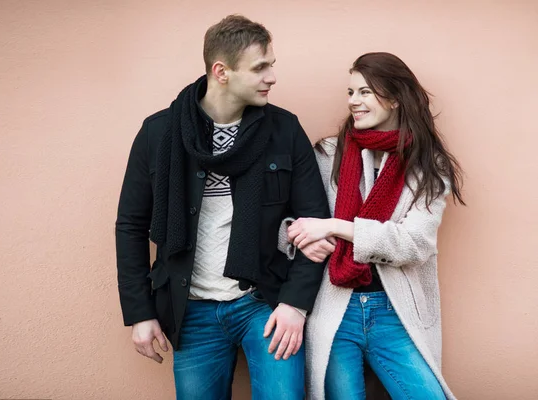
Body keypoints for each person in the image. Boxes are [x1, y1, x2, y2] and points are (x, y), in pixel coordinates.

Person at [115, 14, 330, 400]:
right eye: (260, 67)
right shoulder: (159, 134)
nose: (272, 77)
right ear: (222, 71)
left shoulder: (284, 131)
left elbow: (316, 221)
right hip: (191, 310)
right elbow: (130, 226)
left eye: (272, 65)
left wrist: (296, 305)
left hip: (264, 305)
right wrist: (140, 312)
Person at [280, 52, 465, 399]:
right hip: (336, 309)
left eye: (365, 92)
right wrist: (300, 237)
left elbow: (414, 243)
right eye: (350, 92)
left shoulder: (428, 165)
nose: (353, 101)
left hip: (395, 312)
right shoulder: (327, 154)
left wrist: (336, 226)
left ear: (394, 98)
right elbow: (286, 224)